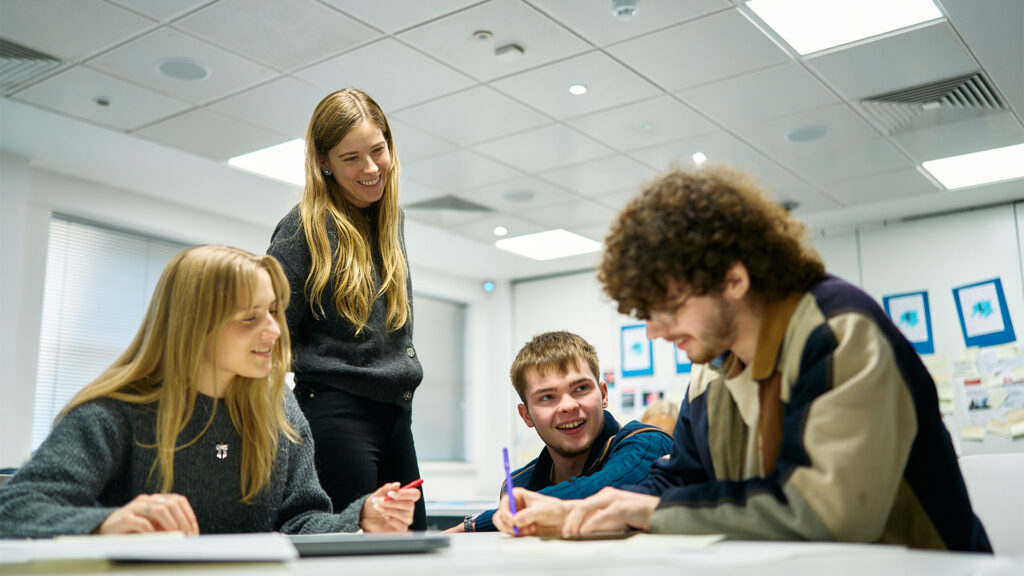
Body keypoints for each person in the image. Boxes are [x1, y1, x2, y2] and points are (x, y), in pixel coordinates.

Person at [496, 166, 992, 553]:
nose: (654, 330)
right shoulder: (712, 367)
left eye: (668, 307)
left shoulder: (838, 333)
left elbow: (821, 512)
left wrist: (645, 512)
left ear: (733, 279)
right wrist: (597, 506)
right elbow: (678, 478)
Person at [0, 246, 419, 538]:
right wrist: (106, 524)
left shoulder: (280, 410)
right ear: (193, 326)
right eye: (249, 317)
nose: (274, 330)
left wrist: (358, 518)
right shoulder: (113, 412)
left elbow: (300, 522)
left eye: (273, 311)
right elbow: (15, 508)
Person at [267, 89, 426, 529]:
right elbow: (268, 329)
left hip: (395, 414)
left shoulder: (388, 221)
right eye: (351, 157)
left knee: (414, 549)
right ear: (324, 162)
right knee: (353, 553)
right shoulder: (304, 228)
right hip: (335, 415)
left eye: (378, 150)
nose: (371, 168)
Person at [455, 331, 671, 533]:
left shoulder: (649, 444)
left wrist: (474, 524)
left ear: (603, 394)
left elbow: (598, 492)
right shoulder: (519, 484)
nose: (568, 406)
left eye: (581, 388)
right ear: (526, 415)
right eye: (547, 397)